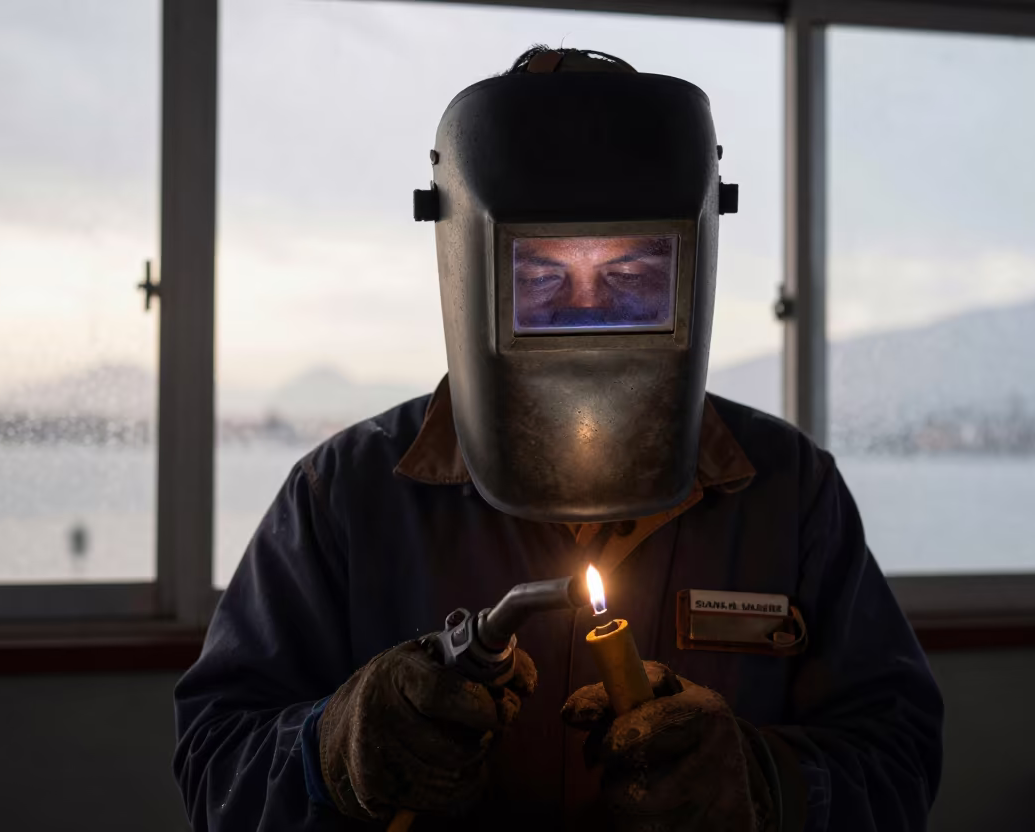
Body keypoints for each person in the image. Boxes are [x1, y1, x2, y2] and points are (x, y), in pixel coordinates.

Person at [174, 46, 943, 832]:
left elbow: (898, 758)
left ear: (693, 266)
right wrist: (331, 749)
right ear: (468, 269)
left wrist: (763, 780)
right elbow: (213, 760)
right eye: (540, 279)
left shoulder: (787, 490)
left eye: (632, 277)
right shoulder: (345, 493)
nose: (587, 317)